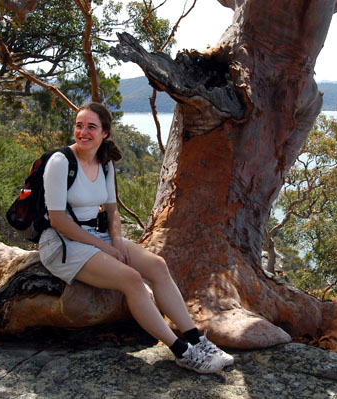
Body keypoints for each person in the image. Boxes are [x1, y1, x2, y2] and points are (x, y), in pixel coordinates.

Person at [38, 102, 233, 374]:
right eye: (79, 125)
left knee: (157, 266)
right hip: (62, 243)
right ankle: (183, 352)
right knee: (131, 279)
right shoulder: (60, 162)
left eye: (91, 127)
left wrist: (117, 243)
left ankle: (195, 338)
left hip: (97, 235)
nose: (83, 132)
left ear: (104, 133)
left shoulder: (105, 165)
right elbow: (58, 219)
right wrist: (101, 247)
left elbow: (112, 210)